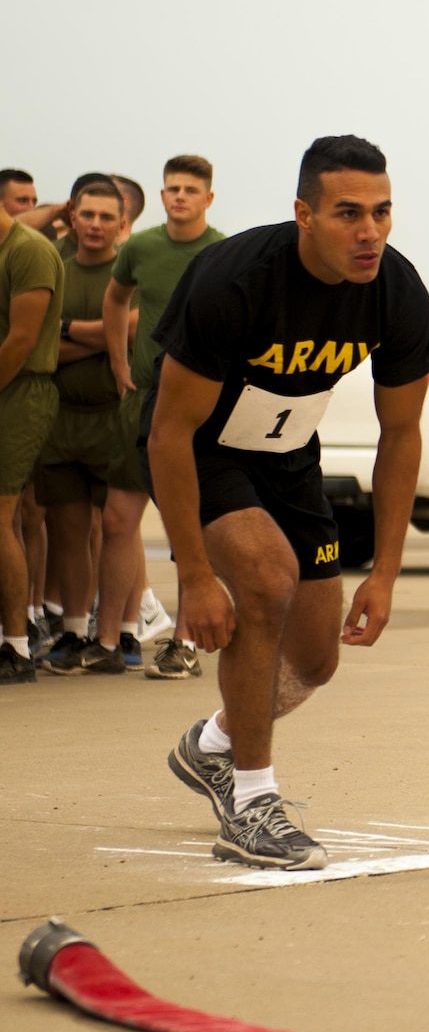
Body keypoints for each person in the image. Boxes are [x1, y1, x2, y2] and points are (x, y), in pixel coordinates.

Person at [148, 135, 429, 868]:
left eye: (381, 212)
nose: (368, 231)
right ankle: (251, 801)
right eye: (348, 213)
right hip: (205, 450)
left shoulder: (397, 291)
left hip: (289, 456)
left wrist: (387, 572)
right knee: (267, 579)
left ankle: (213, 744)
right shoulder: (236, 279)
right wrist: (191, 575)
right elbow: (168, 431)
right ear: (304, 213)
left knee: (315, 657)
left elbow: (401, 434)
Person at [105, 155, 226, 678]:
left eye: (190, 189)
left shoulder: (223, 251)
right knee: (117, 518)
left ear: (208, 199)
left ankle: (185, 642)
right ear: (161, 196)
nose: (179, 196)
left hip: (198, 404)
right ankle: (108, 638)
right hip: (144, 395)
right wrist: (117, 360)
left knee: (187, 526)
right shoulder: (141, 246)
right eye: (172, 188)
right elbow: (116, 299)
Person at [33, 185, 140, 674]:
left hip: (114, 414)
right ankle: (75, 630)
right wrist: (103, 335)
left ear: (122, 223)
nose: (95, 224)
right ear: (72, 218)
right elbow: (40, 347)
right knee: (68, 528)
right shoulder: (53, 267)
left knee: (121, 525)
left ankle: (126, 631)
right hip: (60, 416)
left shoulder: (129, 272)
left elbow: (135, 328)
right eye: (87, 214)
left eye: (106, 216)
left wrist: (68, 329)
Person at [0, 189, 64, 684]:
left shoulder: (29, 250)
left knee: (1, 519)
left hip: (20, 392)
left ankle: (17, 647)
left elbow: (21, 339)